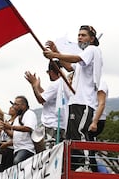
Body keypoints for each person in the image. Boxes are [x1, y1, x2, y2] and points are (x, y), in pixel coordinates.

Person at [44, 25, 103, 172]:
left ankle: (86, 166)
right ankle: (76, 166)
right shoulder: (86, 56)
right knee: (73, 136)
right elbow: (70, 67)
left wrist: (55, 55)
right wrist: (56, 52)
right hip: (75, 101)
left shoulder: (92, 50)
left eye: (83, 35)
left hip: (85, 102)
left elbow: (76, 58)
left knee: (81, 133)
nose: (80, 37)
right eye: (79, 35)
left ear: (92, 38)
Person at [24, 61, 69, 149]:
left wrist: (34, 86)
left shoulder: (55, 84)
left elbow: (41, 99)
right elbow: (47, 96)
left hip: (52, 126)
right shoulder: (63, 83)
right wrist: (38, 86)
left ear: (51, 72)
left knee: (50, 154)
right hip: (61, 125)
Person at [2, 96, 37, 165]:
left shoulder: (29, 113)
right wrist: (5, 129)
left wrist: (11, 127)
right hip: (17, 149)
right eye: (13, 104)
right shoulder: (17, 118)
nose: (14, 107)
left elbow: (28, 128)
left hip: (26, 148)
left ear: (23, 105)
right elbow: (15, 134)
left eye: (16, 104)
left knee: (17, 163)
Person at [88, 79, 108, 172]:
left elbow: (101, 103)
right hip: (89, 118)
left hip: (96, 119)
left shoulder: (100, 82)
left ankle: (93, 170)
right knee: (88, 147)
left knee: (88, 147)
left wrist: (95, 122)